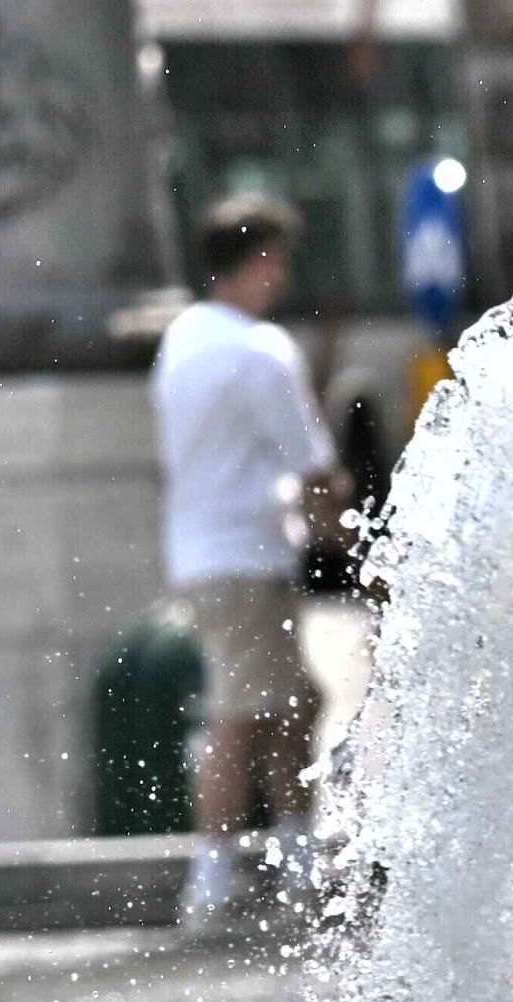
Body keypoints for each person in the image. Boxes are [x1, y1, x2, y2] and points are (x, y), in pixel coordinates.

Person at [152, 194, 344, 929]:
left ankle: (284, 861)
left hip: (202, 554)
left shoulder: (184, 337)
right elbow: (315, 465)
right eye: (279, 260)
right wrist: (353, 539)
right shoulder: (258, 349)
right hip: (245, 556)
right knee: (243, 714)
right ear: (262, 261)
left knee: (290, 703)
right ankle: (219, 881)